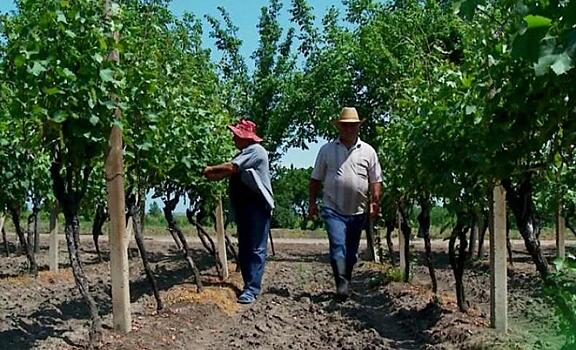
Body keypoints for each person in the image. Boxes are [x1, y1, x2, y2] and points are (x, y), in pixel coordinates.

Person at [308, 107, 382, 301]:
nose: (349, 129)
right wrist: (312, 203)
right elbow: (315, 179)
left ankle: (346, 279)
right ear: (339, 127)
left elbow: (375, 180)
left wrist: (375, 201)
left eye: (352, 126)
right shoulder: (327, 150)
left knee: (351, 252)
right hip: (333, 208)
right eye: (345, 126)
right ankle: (341, 283)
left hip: (358, 211)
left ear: (358, 127)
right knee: (337, 246)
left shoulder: (368, 151)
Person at [203, 119, 274, 304]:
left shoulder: (256, 151)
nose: (233, 137)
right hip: (246, 206)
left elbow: (230, 167)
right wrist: (211, 177)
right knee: (245, 247)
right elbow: (228, 173)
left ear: (245, 137)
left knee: (256, 248)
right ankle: (248, 285)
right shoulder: (245, 153)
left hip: (258, 206)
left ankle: (251, 289)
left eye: (236, 135)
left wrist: (209, 169)